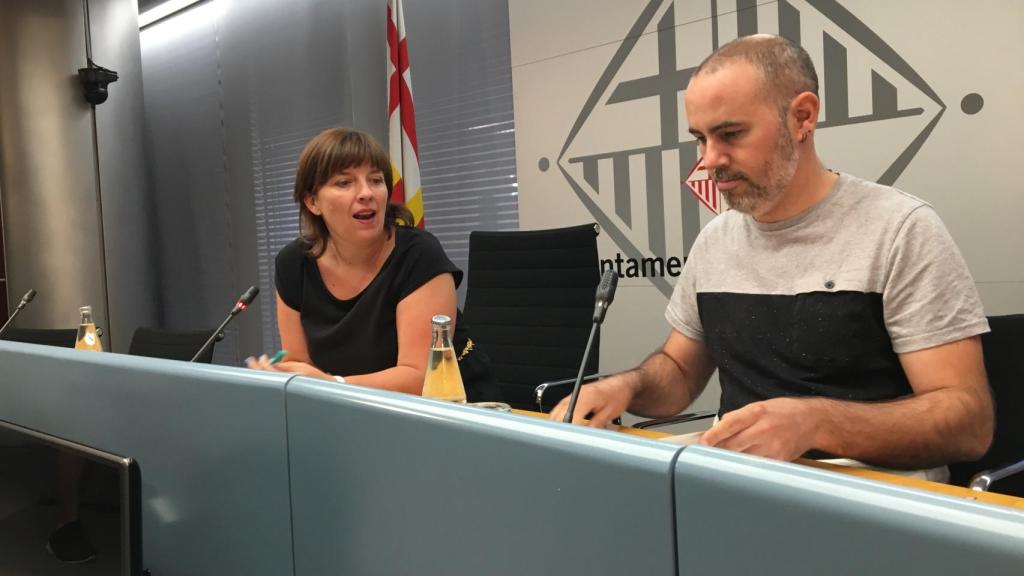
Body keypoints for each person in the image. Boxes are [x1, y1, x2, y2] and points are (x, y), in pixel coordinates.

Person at [550, 35, 992, 477]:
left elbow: (969, 423)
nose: (709, 160)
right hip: (740, 485)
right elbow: (679, 372)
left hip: (875, 496)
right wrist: (627, 387)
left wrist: (816, 423)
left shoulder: (899, 229)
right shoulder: (715, 240)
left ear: (802, 117)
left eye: (730, 134)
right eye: (700, 139)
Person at [248, 127, 496, 400]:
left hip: (455, 409)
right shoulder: (294, 264)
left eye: (376, 180)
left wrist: (333, 384)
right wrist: (281, 375)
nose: (366, 193)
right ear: (312, 202)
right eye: (344, 182)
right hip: (349, 410)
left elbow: (420, 379)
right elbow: (299, 365)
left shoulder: (418, 254)